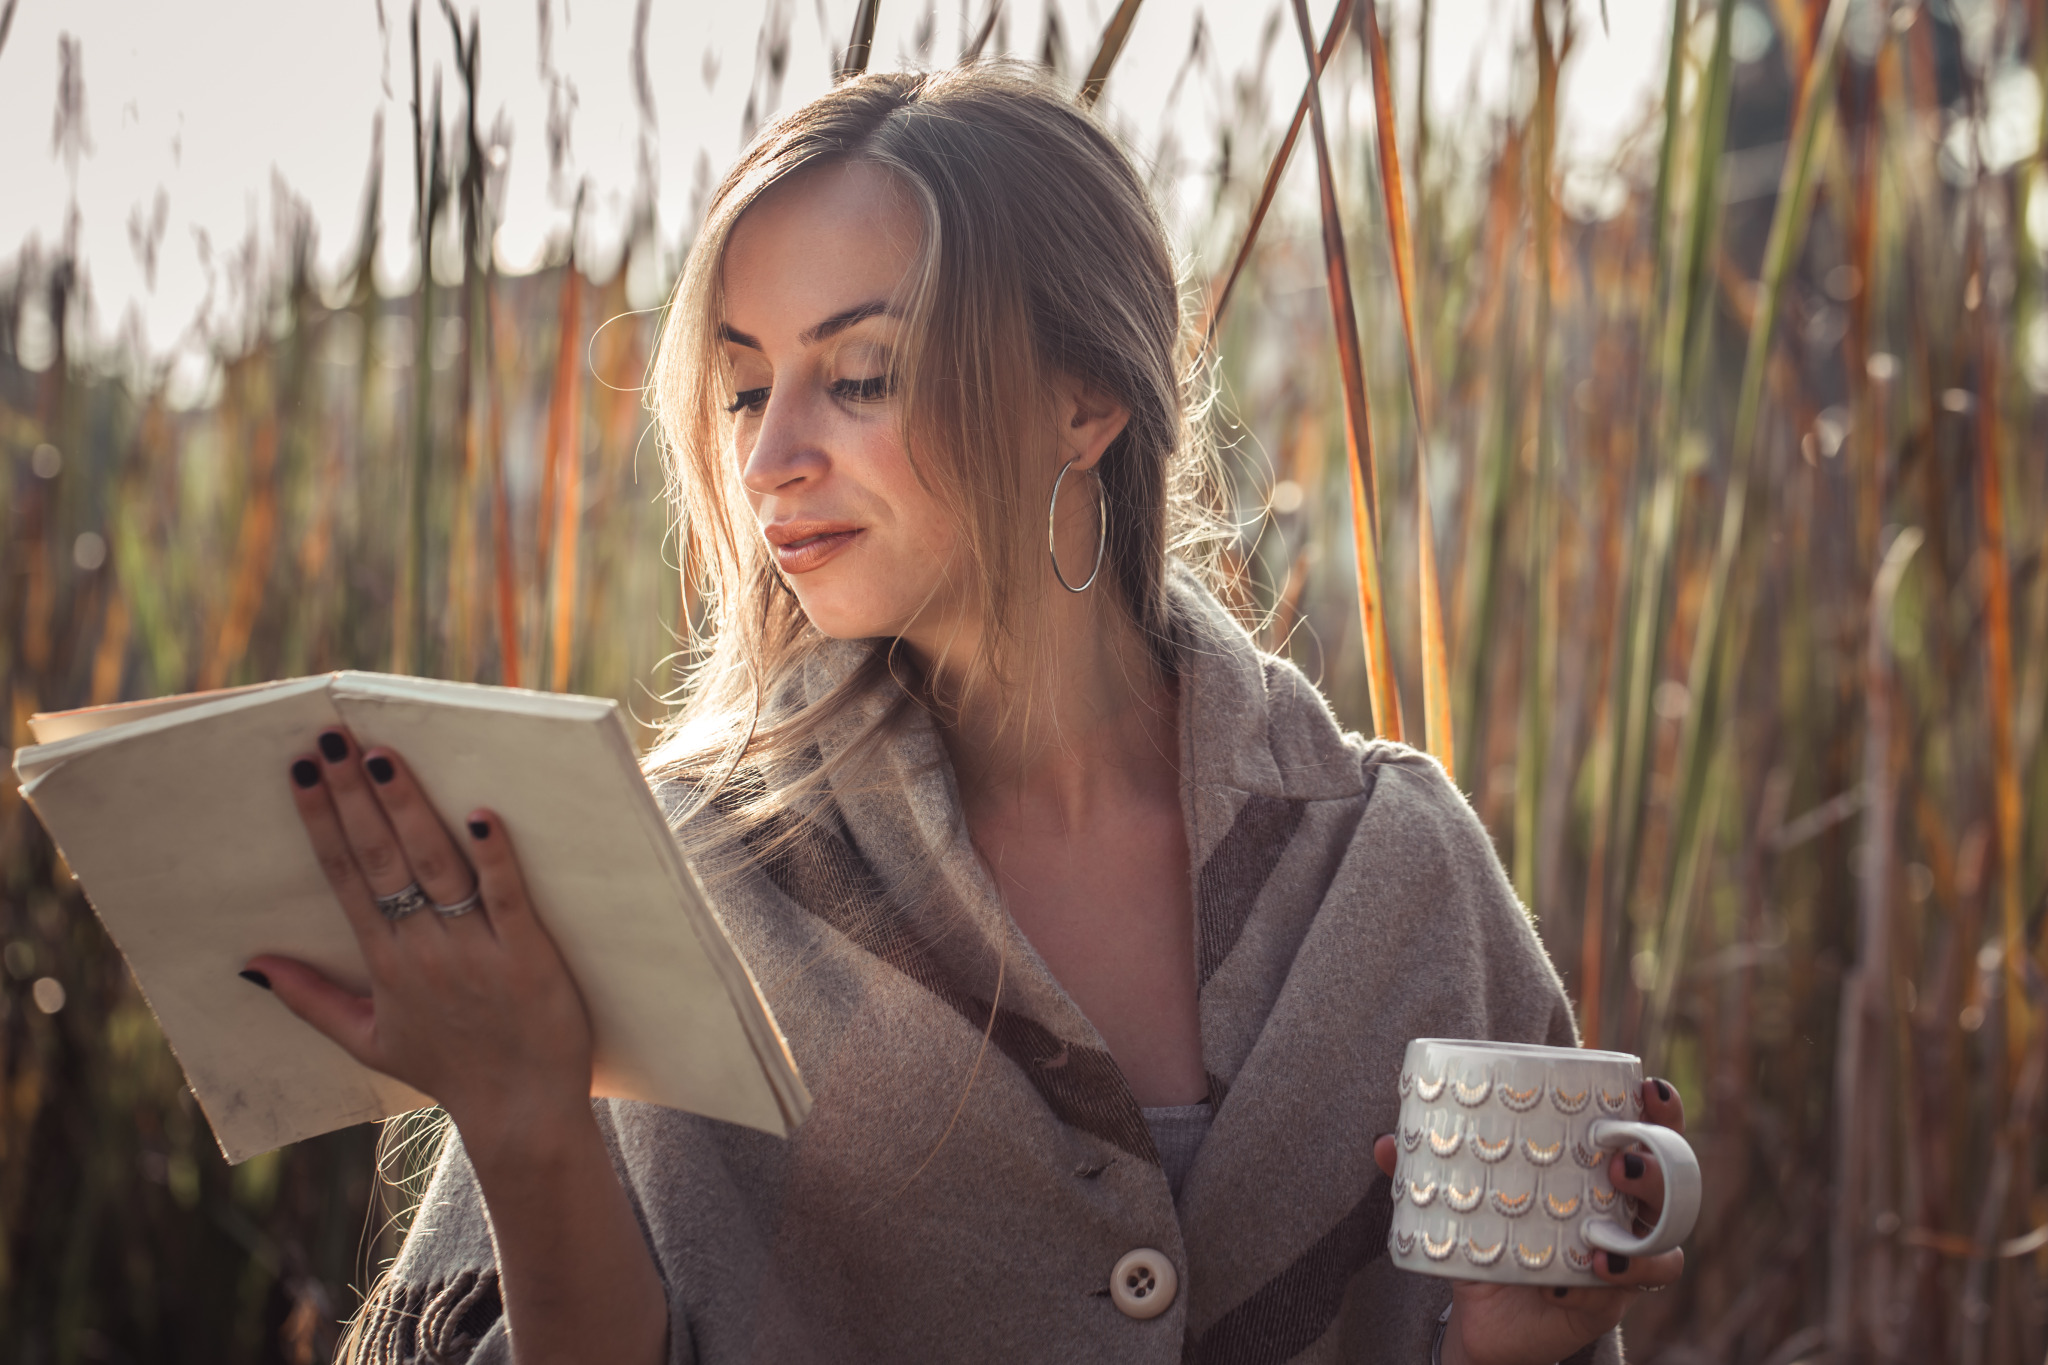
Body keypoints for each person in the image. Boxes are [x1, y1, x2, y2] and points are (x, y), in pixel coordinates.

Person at [243, 64, 1687, 1365]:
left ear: (1085, 401)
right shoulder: (683, 874)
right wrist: (525, 1123)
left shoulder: (1396, 871)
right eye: (746, 389)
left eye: (859, 375)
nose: (772, 460)